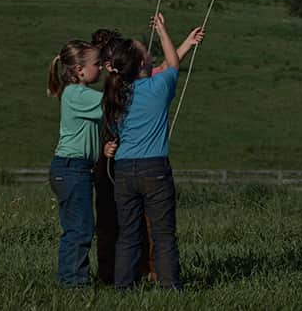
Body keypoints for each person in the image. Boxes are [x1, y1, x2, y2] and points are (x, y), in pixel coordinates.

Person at [90, 23, 203, 286]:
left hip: (124, 170)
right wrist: (164, 32)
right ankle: (170, 287)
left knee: (128, 234)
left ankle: (122, 288)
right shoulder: (158, 87)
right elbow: (173, 64)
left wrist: (183, 40)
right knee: (163, 234)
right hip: (155, 170)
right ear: (143, 62)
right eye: (146, 51)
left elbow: (116, 129)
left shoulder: (117, 95)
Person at [47, 39, 104, 287]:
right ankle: (72, 283)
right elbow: (111, 106)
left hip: (74, 169)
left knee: (78, 227)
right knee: (79, 229)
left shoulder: (77, 93)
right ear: (80, 70)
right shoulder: (76, 94)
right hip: (72, 168)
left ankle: (72, 279)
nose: (101, 68)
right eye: (97, 64)